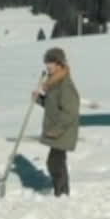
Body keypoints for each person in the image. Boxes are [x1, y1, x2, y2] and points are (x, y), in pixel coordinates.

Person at [33, 47, 80, 197]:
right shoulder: (54, 83)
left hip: (63, 131)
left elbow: (70, 112)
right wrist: (40, 99)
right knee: (57, 162)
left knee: (54, 163)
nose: (47, 65)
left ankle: (61, 193)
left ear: (59, 64)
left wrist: (57, 130)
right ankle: (62, 191)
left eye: (51, 62)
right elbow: (52, 106)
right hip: (57, 130)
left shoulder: (65, 85)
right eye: (47, 62)